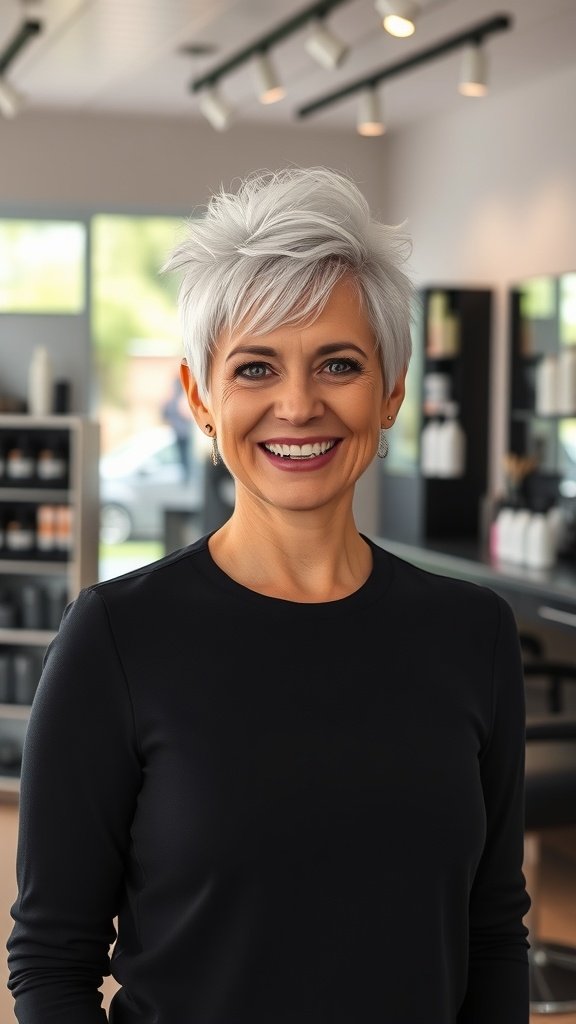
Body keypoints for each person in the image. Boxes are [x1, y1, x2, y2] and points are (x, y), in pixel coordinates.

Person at [7, 166, 530, 1023]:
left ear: (391, 390)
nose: (298, 403)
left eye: (338, 363)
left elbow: (493, 932)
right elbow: (51, 960)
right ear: (199, 399)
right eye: (254, 367)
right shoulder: (117, 638)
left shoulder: (474, 634)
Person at [161, 375, 193, 481]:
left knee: (185, 458)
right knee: (183, 458)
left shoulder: (179, 400)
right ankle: (186, 477)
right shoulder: (176, 400)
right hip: (181, 433)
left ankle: (187, 477)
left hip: (183, 433)